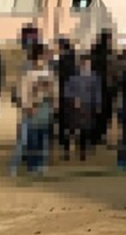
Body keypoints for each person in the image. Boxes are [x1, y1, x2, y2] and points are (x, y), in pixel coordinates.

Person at [16, 44, 57, 176]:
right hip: (33, 108)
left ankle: (41, 163)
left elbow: (54, 89)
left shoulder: (49, 72)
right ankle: (32, 165)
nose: (44, 59)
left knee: (43, 138)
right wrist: (28, 106)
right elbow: (23, 92)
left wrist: (54, 103)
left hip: (45, 107)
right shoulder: (28, 74)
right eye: (42, 56)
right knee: (33, 138)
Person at [64, 56, 102, 162]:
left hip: (88, 105)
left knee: (85, 130)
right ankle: (67, 150)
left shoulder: (94, 77)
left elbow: (97, 92)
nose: (87, 66)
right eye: (85, 64)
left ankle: (82, 151)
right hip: (75, 107)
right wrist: (74, 99)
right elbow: (67, 91)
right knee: (71, 129)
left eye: (89, 64)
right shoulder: (73, 78)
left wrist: (97, 104)